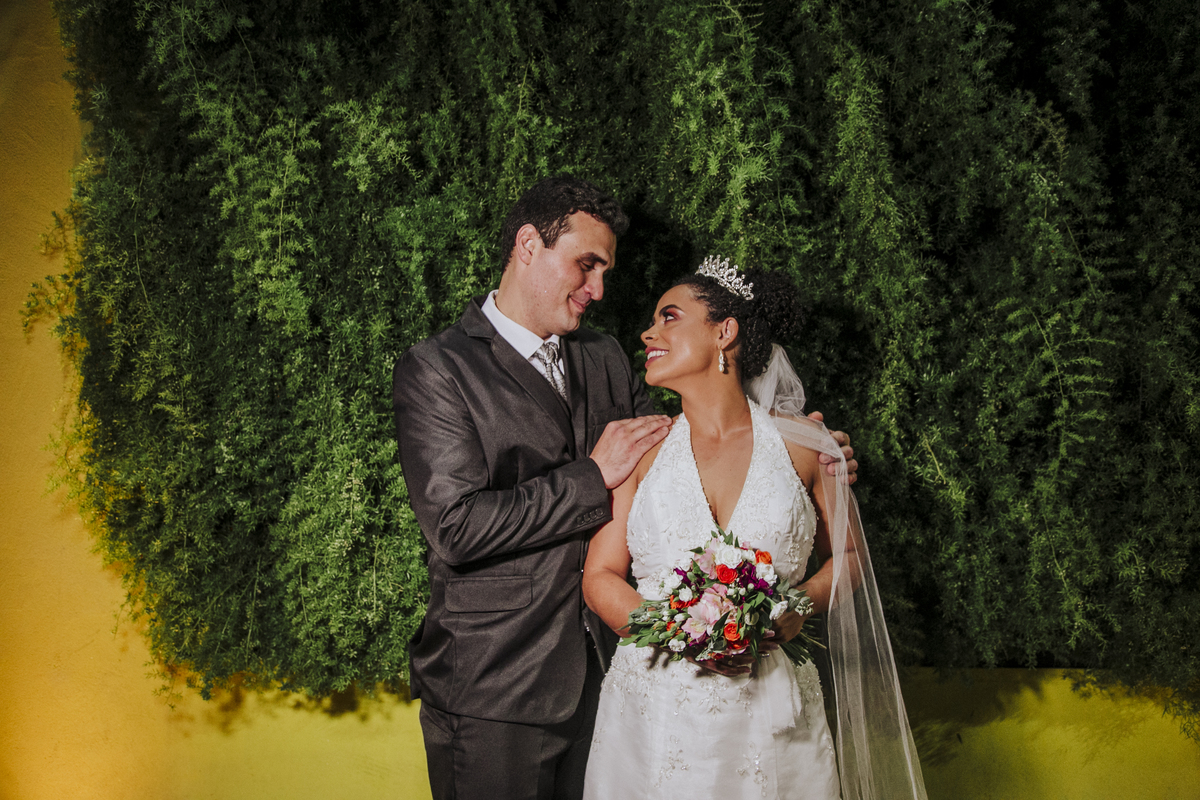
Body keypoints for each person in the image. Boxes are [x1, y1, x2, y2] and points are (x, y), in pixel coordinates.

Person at [392, 178, 858, 800]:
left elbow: (683, 449)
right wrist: (591, 477)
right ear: (528, 245)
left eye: (606, 271)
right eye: (586, 265)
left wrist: (798, 446)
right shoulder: (439, 368)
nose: (599, 290)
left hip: (613, 678)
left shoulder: (604, 356)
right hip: (496, 683)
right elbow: (456, 527)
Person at [581, 257, 927, 799]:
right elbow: (600, 576)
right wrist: (677, 632)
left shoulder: (808, 447)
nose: (648, 333)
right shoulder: (640, 450)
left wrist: (798, 606)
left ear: (725, 332)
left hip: (772, 716)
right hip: (653, 716)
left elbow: (850, 556)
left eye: (669, 317)